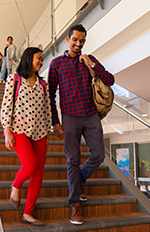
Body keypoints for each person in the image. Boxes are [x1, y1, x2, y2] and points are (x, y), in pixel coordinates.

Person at [48, 24, 115, 225]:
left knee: (98, 155)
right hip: (69, 118)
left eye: (82, 41)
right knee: (72, 160)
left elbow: (110, 80)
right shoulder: (56, 64)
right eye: (75, 40)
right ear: (68, 39)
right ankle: (75, 204)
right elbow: (50, 95)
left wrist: (91, 65)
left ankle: (80, 179)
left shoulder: (90, 60)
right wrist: (55, 122)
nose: (78, 44)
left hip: (91, 115)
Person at [0, 47, 52, 226]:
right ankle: (15, 186)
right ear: (29, 58)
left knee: (38, 174)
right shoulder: (14, 80)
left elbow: (47, 110)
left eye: (42, 59)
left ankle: (28, 213)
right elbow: (7, 105)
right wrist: (7, 131)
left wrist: (48, 134)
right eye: (39, 58)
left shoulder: (43, 85)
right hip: (19, 130)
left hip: (40, 133)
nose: (41, 62)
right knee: (30, 166)